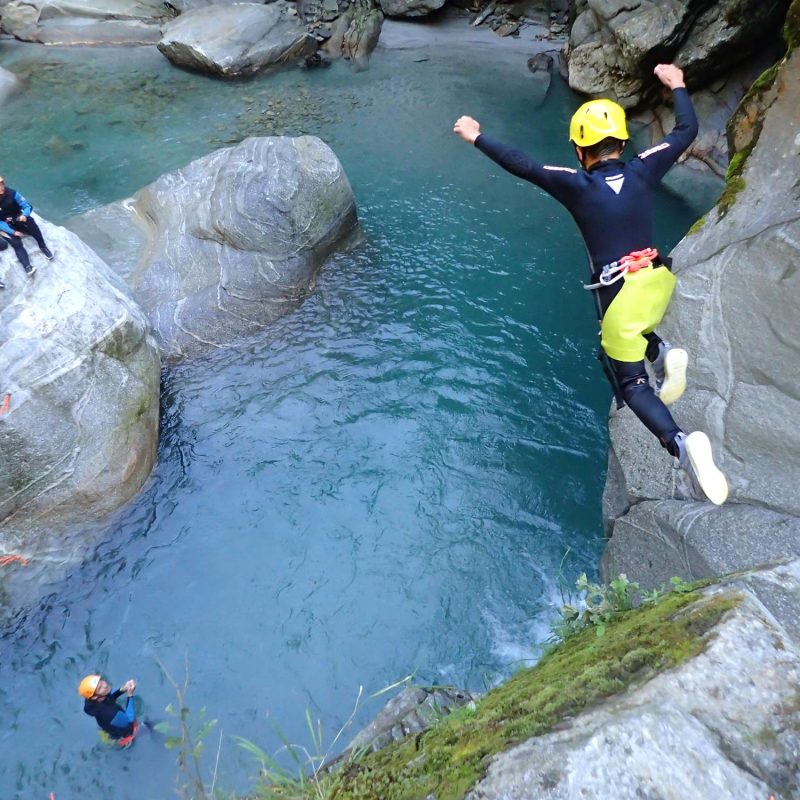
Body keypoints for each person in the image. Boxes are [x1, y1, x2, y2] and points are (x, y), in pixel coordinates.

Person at [453, 63, 728, 505]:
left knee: (631, 383)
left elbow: (523, 165)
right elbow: (686, 130)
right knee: (639, 326)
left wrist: (476, 136)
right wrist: (677, 86)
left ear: (581, 152)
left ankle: (680, 444)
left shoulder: (576, 185)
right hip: (657, 281)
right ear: (621, 142)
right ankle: (664, 352)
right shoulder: (644, 169)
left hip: (618, 295)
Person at [0, 176, 54, 280]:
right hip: (6, 224)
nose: (1, 186)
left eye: (2, 184)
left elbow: (27, 206)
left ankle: (43, 246)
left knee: (31, 224)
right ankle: (27, 267)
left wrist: (24, 215)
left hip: (17, 218)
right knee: (16, 243)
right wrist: (13, 231)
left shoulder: (12, 194)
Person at [78, 675, 139, 745]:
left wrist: (124, 689)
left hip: (108, 726)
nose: (105, 685)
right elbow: (129, 720)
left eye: (101, 681)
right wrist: (130, 695)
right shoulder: (109, 713)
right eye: (100, 688)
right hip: (125, 733)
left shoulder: (93, 701)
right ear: (94, 697)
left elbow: (109, 698)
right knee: (149, 726)